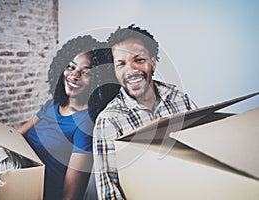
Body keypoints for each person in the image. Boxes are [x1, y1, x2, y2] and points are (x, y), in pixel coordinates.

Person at [93, 25, 197, 199]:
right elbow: (109, 191)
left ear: (153, 63)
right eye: (121, 64)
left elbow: (204, 152)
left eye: (139, 60)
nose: (131, 70)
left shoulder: (181, 100)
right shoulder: (109, 120)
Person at [17, 35, 118, 200]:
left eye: (86, 73)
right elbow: (16, 135)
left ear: (97, 81)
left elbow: (71, 196)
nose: (74, 75)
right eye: (71, 67)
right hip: (16, 175)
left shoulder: (85, 125)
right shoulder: (52, 105)